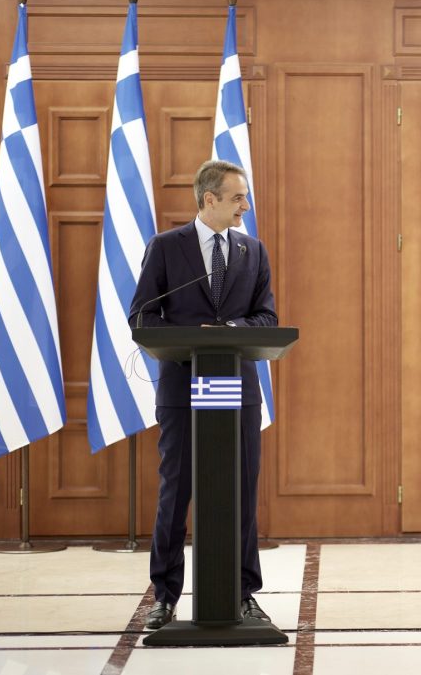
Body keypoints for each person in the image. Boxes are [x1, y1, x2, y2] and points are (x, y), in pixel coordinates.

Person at [129, 159, 277, 629]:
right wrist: (192, 337)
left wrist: (229, 330)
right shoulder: (166, 247)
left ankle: (244, 593)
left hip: (236, 389)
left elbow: (267, 318)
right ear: (209, 199)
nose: (245, 206)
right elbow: (143, 316)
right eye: (237, 198)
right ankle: (164, 595)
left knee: (242, 492)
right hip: (182, 387)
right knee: (176, 492)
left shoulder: (253, 250)